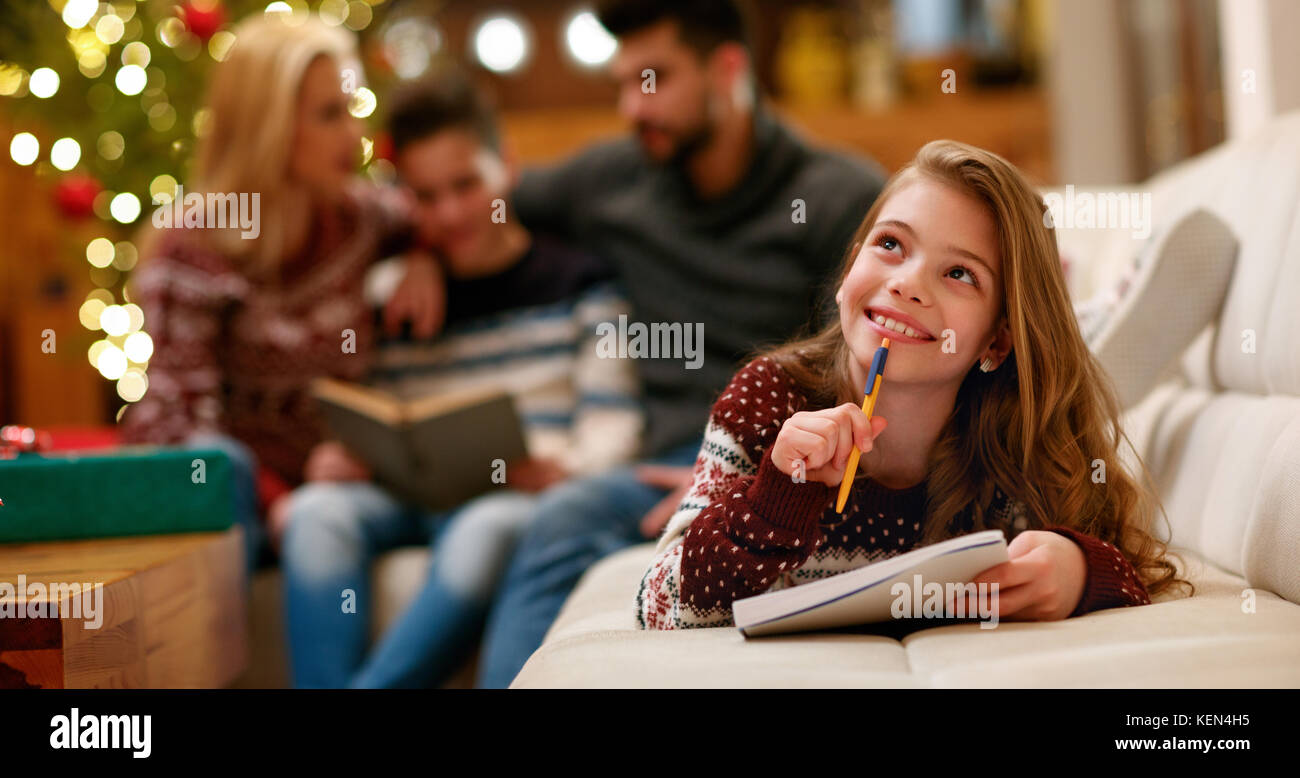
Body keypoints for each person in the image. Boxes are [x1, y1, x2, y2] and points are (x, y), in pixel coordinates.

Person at [474, 0, 887, 687]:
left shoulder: (836, 196)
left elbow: (872, 368)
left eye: (654, 79)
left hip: (781, 462)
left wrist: (736, 481)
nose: (633, 108)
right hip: (653, 460)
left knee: (566, 513)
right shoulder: (613, 180)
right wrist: (424, 257)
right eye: (621, 85)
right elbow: (478, 210)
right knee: (559, 516)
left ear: (727, 68)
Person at [637, 140, 1194, 630]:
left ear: (997, 342)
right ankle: (1097, 314)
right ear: (850, 270)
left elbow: (1134, 569)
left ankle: (1095, 321)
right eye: (890, 246)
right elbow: (655, 604)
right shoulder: (767, 398)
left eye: (959, 274)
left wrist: (1077, 570)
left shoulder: (1011, 438)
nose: (906, 284)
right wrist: (778, 497)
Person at [279, 75, 643, 688]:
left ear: (506, 166)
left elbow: (614, 426)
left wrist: (567, 467)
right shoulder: (389, 292)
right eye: (425, 197)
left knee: (485, 527)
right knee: (315, 512)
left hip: (512, 493)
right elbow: (369, 406)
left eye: (466, 186)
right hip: (402, 493)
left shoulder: (582, 284)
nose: (449, 214)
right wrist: (344, 455)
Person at [118, 16, 419, 570]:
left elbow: (457, 217)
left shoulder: (364, 217)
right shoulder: (191, 245)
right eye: (329, 115)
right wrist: (278, 498)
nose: (354, 135)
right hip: (232, 492)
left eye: (353, 108)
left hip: (324, 495)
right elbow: (179, 422)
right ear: (269, 125)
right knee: (218, 460)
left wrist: (425, 260)